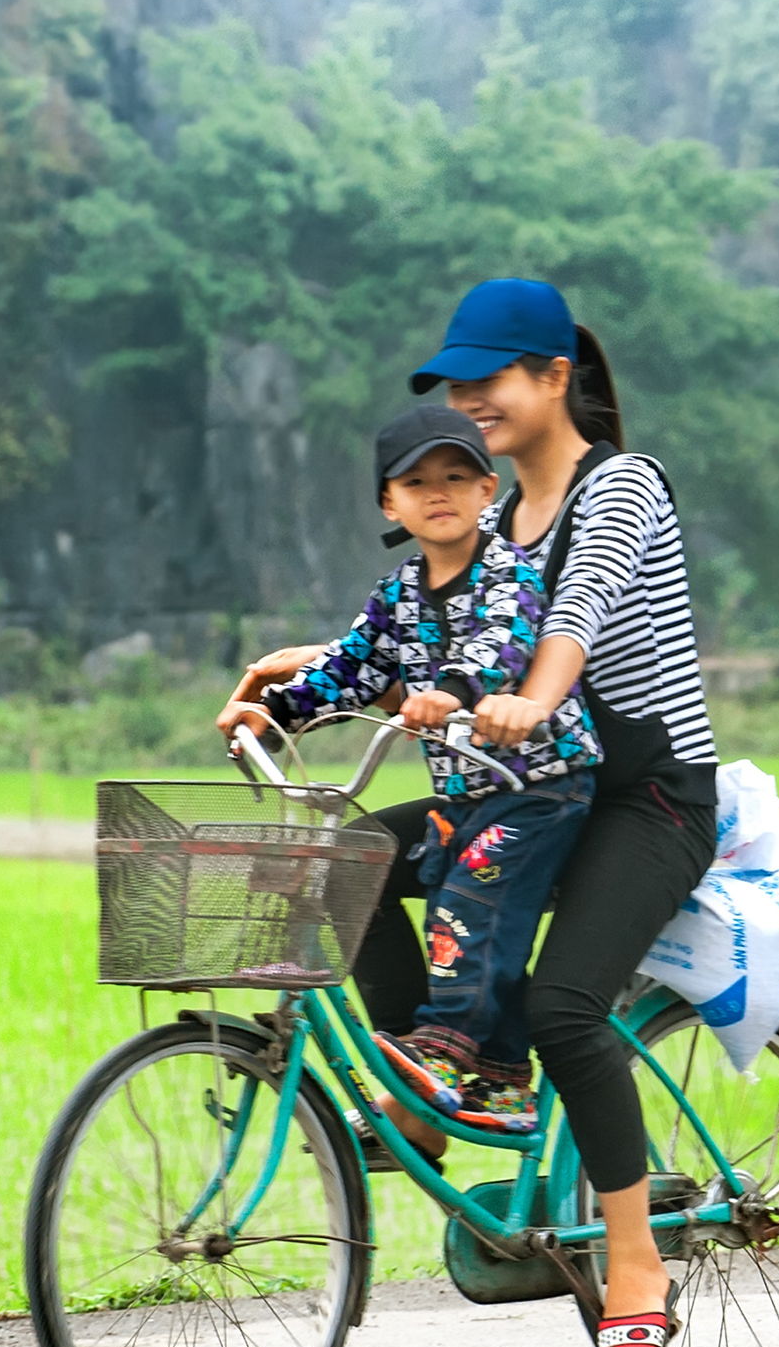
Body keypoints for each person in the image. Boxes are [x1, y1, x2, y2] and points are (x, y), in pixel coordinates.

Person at [228, 280, 718, 1347]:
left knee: (564, 1006)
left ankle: (636, 1266)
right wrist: (300, 670)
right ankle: (438, 1084)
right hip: (526, 785)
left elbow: (569, 618)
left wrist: (533, 698)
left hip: (645, 797)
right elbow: (439, 621)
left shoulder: (620, 487)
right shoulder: (491, 515)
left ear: (553, 377)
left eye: (489, 380)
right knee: (346, 858)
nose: (470, 402)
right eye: (457, 386)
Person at [219, 405, 602, 1117]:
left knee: (470, 896)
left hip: (540, 788)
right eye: (417, 481)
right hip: (464, 797)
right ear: (389, 502)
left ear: (488, 491)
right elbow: (348, 668)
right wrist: (269, 719)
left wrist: (451, 691)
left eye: (457, 477)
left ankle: (450, 1054)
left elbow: (505, 644)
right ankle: (424, 1074)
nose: (439, 492)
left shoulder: (508, 574)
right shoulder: (396, 593)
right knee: (348, 866)